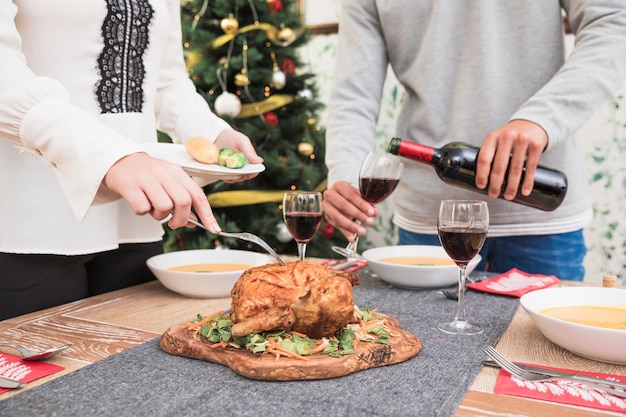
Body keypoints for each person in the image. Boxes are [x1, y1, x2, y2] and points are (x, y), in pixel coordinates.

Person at [322, 1, 626, 281]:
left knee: (544, 344)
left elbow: (613, 22)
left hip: (539, 219)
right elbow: (353, 95)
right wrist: (347, 176)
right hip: (431, 224)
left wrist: (542, 118)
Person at [0, 0, 263, 320]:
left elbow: (165, 79)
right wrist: (111, 157)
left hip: (135, 216)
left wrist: (210, 132)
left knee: (133, 364)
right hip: (30, 219)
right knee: (49, 369)